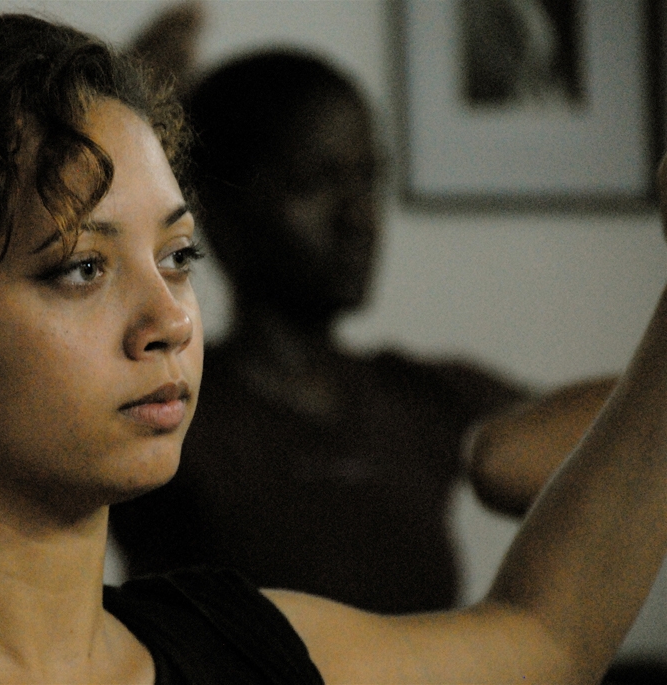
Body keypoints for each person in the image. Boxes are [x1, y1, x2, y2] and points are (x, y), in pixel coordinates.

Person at [0, 10, 667, 684]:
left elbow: (546, 636)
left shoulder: (246, 647)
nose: (170, 319)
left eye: (177, 256)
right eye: (81, 268)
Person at [110, 47, 576, 613]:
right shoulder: (165, 402)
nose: (359, 217)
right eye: (314, 182)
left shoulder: (418, 395)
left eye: (368, 178)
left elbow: (618, 447)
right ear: (219, 210)